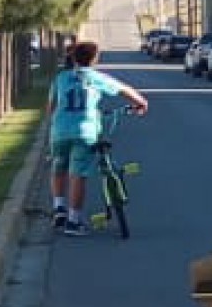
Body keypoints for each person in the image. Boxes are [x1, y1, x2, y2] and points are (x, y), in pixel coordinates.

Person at [48, 40, 148, 238]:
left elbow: (51, 107)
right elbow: (123, 89)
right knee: (78, 174)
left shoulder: (61, 78)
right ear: (94, 59)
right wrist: (141, 102)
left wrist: (57, 120)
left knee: (58, 167)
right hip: (85, 131)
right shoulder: (95, 77)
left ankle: (59, 207)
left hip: (59, 130)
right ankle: (73, 220)